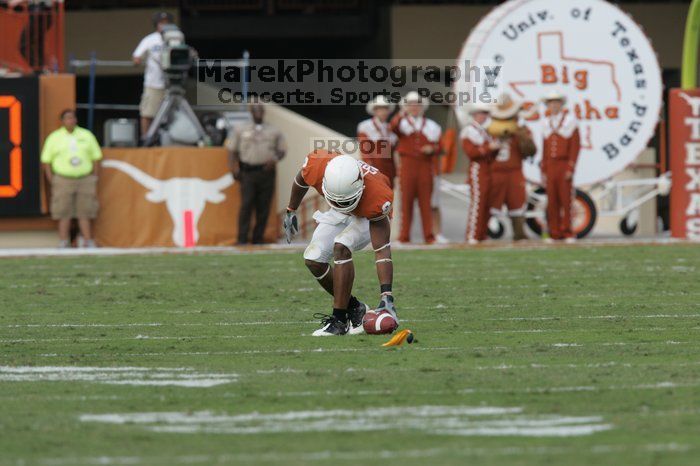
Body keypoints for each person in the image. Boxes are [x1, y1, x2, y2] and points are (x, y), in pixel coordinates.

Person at [283, 150, 396, 337]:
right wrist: (290, 210)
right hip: (338, 211)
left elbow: (382, 251)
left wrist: (387, 296)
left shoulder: (377, 195)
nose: (343, 203)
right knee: (313, 259)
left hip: (365, 216)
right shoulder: (317, 165)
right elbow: (301, 179)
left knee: (341, 247)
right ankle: (355, 308)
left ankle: (339, 320)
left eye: (347, 200)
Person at [41, 109, 102, 248]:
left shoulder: (86, 135)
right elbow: (46, 161)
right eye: (68, 118)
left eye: (73, 118)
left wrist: (94, 177)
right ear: (62, 121)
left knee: (85, 211)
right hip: (63, 179)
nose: (71, 120)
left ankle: (88, 241)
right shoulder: (54, 137)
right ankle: (63, 241)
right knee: (63, 212)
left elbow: (96, 157)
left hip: (85, 178)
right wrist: (53, 180)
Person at [227, 103, 287, 244]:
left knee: (263, 206)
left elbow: (282, 150)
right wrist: (233, 167)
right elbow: (232, 150)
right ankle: (242, 238)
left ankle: (258, 238)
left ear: (264, 112)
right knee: (246, 205)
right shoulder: (240, 129)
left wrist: (275, 159)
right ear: (251, 112)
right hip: (248, 172)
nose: (258, 113)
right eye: (255, 110)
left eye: (260, 110)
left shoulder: (274, 130)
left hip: (266, 172)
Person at [390, 91, 442, 244]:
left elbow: (441, 147)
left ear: (422, 107)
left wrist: (432, 149)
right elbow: (393, 127)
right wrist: (401, 113)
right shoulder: (402, 122)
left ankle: (429, 236)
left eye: (417, 104)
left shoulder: (432, 126)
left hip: (425, 166)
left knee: (426, 203)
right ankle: (404, 236)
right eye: (410, 104)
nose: (414, 107)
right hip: (407, 165)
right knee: (406, 202)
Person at [488, 94, 536, 241]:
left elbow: (531, 151)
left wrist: (522, 137)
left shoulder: (521, 130)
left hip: (514, 171)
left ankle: (519, 233)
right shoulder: (490, 129)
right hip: (495, 171)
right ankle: (488, 231)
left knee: (517, 202)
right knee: (492, 202)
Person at [541, 90, 580, 243]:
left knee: (566, 199)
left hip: (563, 164)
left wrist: (571, 167)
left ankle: (568, 232)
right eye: (551, 103)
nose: (554, 105)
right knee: (552, 201)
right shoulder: (546, 123)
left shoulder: (570, 122)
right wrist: (543, 169)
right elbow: (544, 149)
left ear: (562, 104)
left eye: (557, 102)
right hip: (550, 165)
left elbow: (575, 147)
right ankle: (554, 233)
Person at [461, 102, 500, 245]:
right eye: (481, 113)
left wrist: (494, 148)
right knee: (478, 201)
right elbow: (472, 152)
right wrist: (489, 148)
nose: (483, 116)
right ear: (474, 115)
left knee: (487, 202)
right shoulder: (469, 131)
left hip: (488, 167)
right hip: (478, 168)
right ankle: (472, 234)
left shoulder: (486, 131)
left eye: (485, 113)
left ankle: (482, 233)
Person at [132, 11, 173, 137]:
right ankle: (146, 140)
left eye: (167, 23)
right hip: (153, 83)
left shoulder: (175, 38)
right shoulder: (150, 39)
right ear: (156, 24)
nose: (164, 25)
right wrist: (138, 60)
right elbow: (136, 56)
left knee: (168, 116)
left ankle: (166, 140)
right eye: (161, 23)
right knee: (147, 113)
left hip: (171, 83)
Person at [357, 95, 397, 188]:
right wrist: (369, 171)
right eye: (380, 109)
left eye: (385, 109)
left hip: (388, 173)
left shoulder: (390, 129)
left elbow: (393, 154)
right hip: (373, 170)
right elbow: (365, 151)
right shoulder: (365, 126)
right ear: (375, 110)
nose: (383, 112)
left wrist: (394, 173)